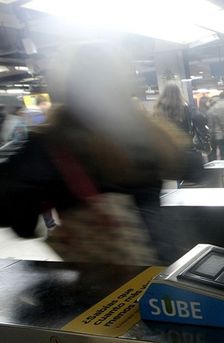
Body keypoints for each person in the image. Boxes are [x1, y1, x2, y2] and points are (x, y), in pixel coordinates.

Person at [0, 44, 195, 265]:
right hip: (163, 259)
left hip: (105, 272)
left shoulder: (53, 138)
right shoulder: (145, 129)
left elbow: (11, 206)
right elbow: (191, 166)